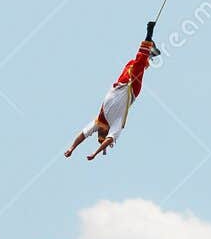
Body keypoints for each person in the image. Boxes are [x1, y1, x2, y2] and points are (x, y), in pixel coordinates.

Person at [65, 22, 161, 161]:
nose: (100, 133)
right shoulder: (115, 125)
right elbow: (109, 140)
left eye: (99, 135)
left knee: (133, 64)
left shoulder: (97, 123)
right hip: (131, 91)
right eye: (102, 135)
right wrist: (95, 153)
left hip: (120, 84)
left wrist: (71, 148)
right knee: (139, 64)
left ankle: (150, 52)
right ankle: (149, 33)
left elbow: (82, 135)